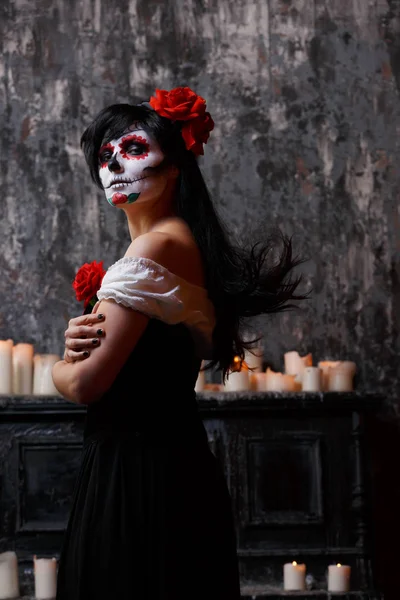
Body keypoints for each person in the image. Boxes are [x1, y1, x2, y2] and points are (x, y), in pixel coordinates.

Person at [52, 86, 308, 600]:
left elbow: (84, 384)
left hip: (137, 478)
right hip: (174, 468)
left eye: (133, 149)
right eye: (106, 156)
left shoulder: (154, 248)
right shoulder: (182, 243)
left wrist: (60, 365)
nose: (115, 166)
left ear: (175, 166)